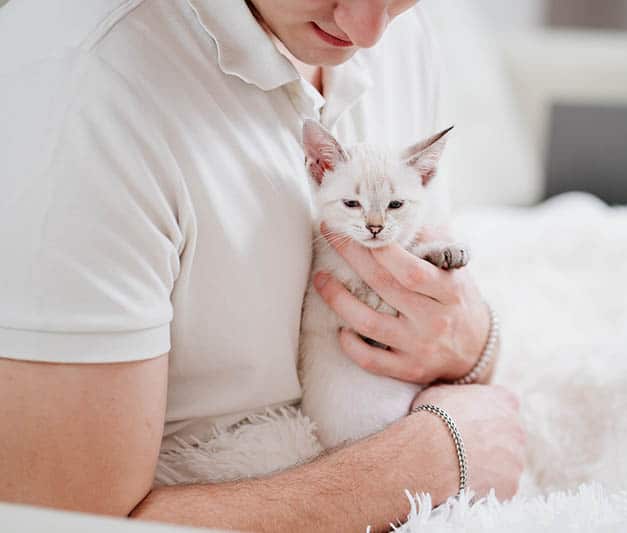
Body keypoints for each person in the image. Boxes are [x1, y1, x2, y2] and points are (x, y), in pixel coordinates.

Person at [0, 0, 525, 530]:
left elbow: (438, 295)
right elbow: (57, 521)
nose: (368, 32)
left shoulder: (405, 36)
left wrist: (475, 344)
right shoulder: (83, 93)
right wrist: (428, 461)